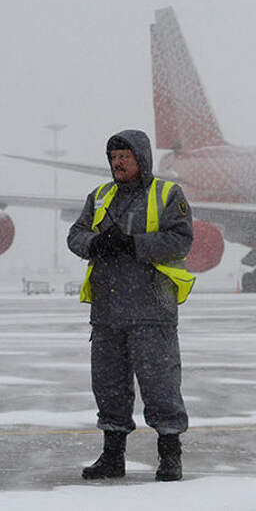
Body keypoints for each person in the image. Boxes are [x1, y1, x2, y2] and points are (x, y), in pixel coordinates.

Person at [67, 129, 195, 482]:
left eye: (124, 156)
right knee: (108, 385)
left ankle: (170, 456)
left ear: (142, 158)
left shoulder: (167, 194)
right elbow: (76, 234)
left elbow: (181, 239)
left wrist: (133, 244)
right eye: (113, 157)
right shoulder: (99, 196)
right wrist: (95, 244)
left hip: (152, 308)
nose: (118, 163)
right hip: (107, 311)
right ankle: (112, 457)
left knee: (160, 385)